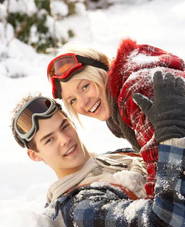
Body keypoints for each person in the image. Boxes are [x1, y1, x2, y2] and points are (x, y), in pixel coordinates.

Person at [11, 72, 185, 227]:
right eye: (49, 139)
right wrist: (172, 141)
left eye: (64, 126)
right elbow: (167, 224)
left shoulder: (119, 157)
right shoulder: (78, 208)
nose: (65, 139)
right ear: (36, 155)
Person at [47, 38, 185, 198]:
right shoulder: (139, 66)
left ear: (101, 71)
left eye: (85, 86)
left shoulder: (135, 94)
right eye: (73, 100)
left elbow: (167, 186)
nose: (84, 103)